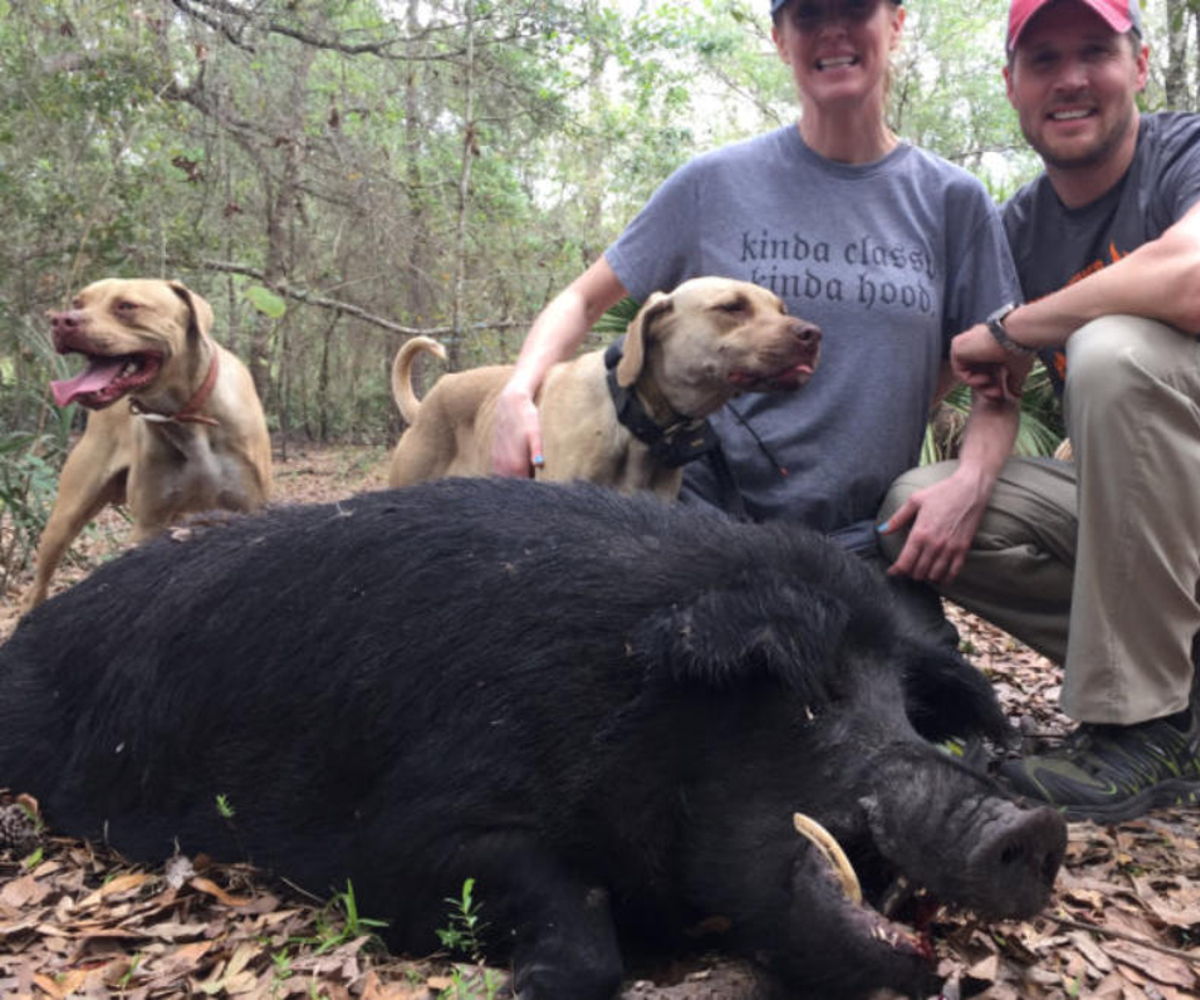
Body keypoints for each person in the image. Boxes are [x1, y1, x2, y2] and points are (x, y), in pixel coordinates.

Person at [489, 0, 1020, 635]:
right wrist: (518, 393)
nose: (833, 30)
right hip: (700, 523)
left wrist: (971, 480)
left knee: (918, 690)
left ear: (896, 24)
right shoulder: (713, 183)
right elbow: (581, 300)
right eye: (808, 15)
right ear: (780, 39)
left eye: (855, 8)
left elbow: (999, 379)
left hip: (862, 542)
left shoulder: (952, 200)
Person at [880, 0, 1200, 822]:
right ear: (1011, 84)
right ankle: (1181, 690)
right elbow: (962, 374)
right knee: (916, 505)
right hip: (1154, 533)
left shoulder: (1185, 151)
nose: (1070, 79)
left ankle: (1145, 729)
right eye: (1044, 59)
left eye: (1094, 51)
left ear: (1139, 66)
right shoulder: (1016, 228)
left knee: (1113, 350)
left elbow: (1191, 276)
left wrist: (1012, 327)